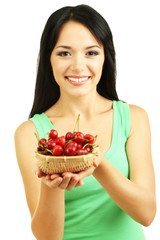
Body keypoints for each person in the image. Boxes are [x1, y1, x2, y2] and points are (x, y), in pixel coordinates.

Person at [14, 4, 156, 240]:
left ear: (105, 58)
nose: (78, 66)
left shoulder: (133, 118)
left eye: (91, 52)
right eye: (64, 53)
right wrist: (52, 186)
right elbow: (46, 237)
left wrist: (96, 163)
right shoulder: (30, 133)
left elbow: (147, 213)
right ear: (49, 59)